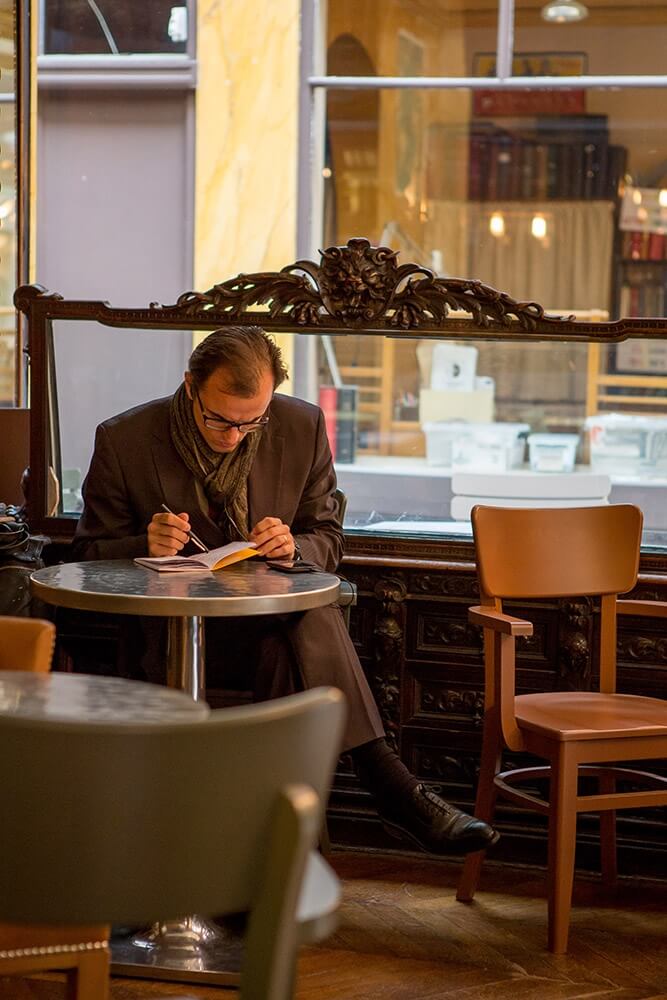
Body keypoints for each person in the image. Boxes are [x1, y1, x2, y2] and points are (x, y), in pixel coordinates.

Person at [72, 326, 498, 855]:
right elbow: (87, 554)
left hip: (268, 626)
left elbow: (328, 537)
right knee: (309, 628)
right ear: (189, 386)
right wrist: (144, 542)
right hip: (177, 636)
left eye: (252, 421)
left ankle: (269, 867)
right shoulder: (126, 438)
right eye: (219, 419)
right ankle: (387, 785)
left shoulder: (300, 425)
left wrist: (291, 546)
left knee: (298, 634)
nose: (234, 435)